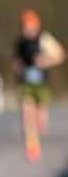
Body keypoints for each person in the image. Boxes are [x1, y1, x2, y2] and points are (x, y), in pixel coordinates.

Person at [12, 9, 65, 162]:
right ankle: (32, 145)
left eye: (30, 28)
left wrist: (45, 60)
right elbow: (15, 62)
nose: (28, 31)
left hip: (41, 85)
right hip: (25, 84)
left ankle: (39, 122)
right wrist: (19, 66)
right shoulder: (20, 43)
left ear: (36, 26)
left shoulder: (44, 39)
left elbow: (60, 55)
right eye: (25, 28)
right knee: (27, 110)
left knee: (41, 119)